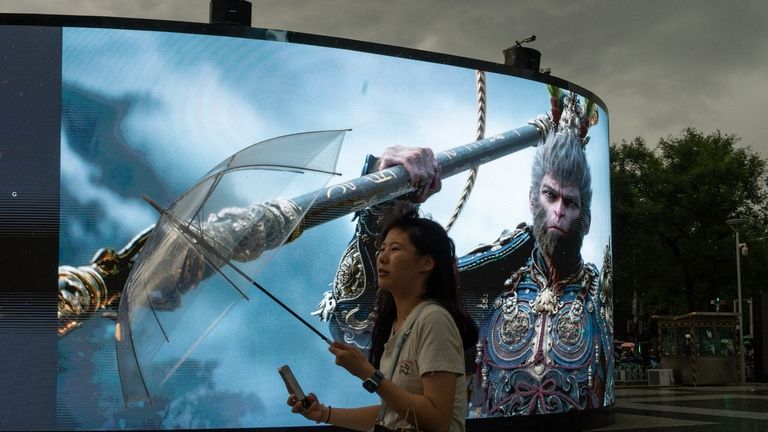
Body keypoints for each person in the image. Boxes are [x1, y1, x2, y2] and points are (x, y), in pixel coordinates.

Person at [320, 92, 613, 417]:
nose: (558, 211)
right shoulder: (491, 288)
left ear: (585, 218)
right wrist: (385, 196)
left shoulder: (602, 295)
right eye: (550, 196)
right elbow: (358, 319)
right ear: (533, 199)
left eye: (570, 202)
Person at [288, 205, 478, 432]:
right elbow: (393, 414)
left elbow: (437, 420)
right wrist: (324, 413)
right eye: (381, 248)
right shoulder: (398, 325)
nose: (382, 257)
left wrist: (368, 374)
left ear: (427, 263)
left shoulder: (434, 319)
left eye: (395, 249)